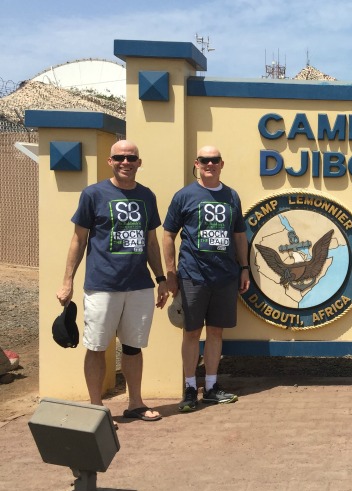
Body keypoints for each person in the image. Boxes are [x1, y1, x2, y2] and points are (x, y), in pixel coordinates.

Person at [56, 140, 168, 422]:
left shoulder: (147, 196)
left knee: (133, 346)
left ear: (139, 162)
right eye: (120, 157)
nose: (125, 162)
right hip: (102, 285)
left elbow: (151, 243)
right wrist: (67, 281)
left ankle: (136, 403)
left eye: (131, 158)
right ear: (110, 161)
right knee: (96, 346)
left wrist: (161, 278)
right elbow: (78, 240)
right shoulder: (93, 194)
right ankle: (96, 410)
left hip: (139, 285)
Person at [163, 145, 250, 413]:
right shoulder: (184, 196)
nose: (209, 164)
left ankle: (211, 387)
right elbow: (168, 235)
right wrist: (171, 273)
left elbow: (238, 236)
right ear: (197, 163)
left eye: (214, 160)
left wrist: (244, 268)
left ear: (221, 164)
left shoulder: (231, 196)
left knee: (215, 332)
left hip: (224, 276)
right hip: (192, 275)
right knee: (191, 332)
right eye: (204, 160)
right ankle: (190, 388)